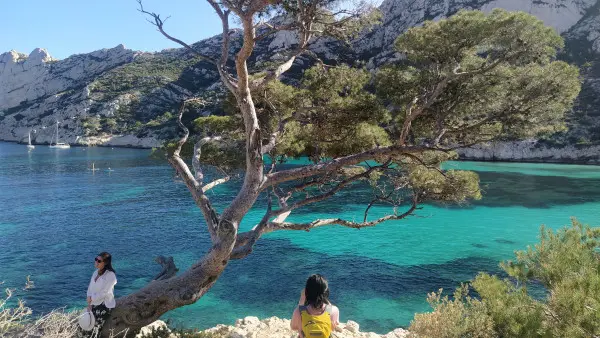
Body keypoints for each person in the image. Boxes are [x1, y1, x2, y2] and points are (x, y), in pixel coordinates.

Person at [83, 252, 117, 336]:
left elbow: (105, 292)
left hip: (104, 305)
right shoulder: (95, 272)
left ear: (105, 263)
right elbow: (90, 288)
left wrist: (92, 299)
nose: (96, 262)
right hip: (94, 303)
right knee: (85, 326)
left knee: (94, 330)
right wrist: (89, 301)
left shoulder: (110, 275)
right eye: (96, 259)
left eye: (99, 261)